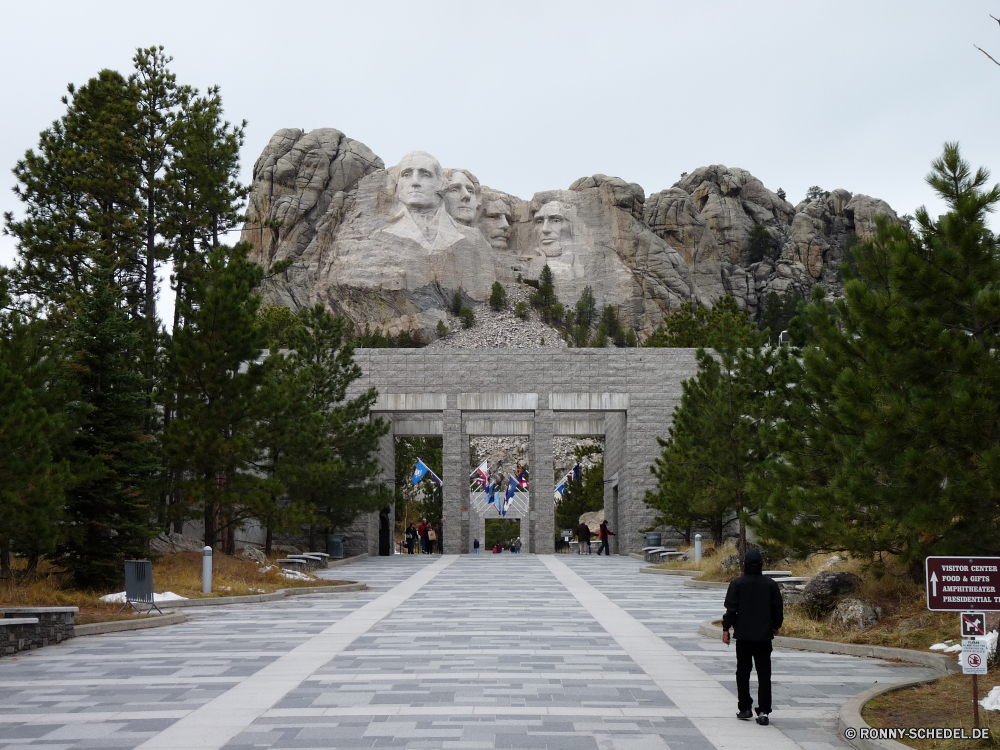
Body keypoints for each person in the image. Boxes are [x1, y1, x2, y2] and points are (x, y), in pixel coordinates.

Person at [721, 549, 783, 725]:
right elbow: (778, 610)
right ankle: (763, 711)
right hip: (764, 637)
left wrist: (726, 629)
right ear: (762, 565)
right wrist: (776, 626)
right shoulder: (770, 585)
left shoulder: (737, 583)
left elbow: (731, 609)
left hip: (743, 637)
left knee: (743, 672)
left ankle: (745, 707)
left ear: (744, 565)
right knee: (764, 674)